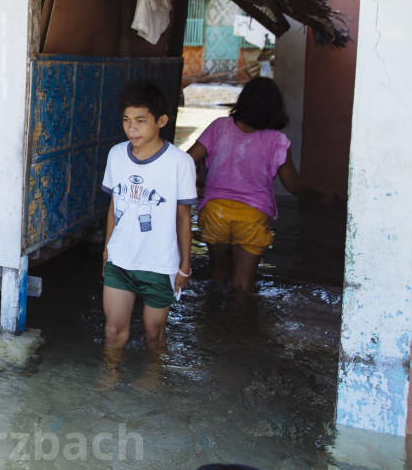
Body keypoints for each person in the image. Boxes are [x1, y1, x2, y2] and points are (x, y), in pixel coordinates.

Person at [187, 76, 337, 294]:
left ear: (243, 101)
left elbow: (187, 159)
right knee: (242, 284)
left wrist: (198, 182)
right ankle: (241, 326)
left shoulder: (219, 126)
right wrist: (323, 196)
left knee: (217, 275)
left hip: (214, 211)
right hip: (252, 216)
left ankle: (211, 321)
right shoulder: (277, 140)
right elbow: (293, 185)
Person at [101, 81, 198, 350]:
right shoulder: (116, 155)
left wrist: (185, 266)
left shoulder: (180, 163)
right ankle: (109, 384)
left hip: (160, 265)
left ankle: (154, 383)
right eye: (127, 120)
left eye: (141, 121)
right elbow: (114, 205)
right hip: (120, 260)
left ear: (161, 120)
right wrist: (107, 250)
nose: (132, 128)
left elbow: (183, 217)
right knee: (112, 331)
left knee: (153, 335)